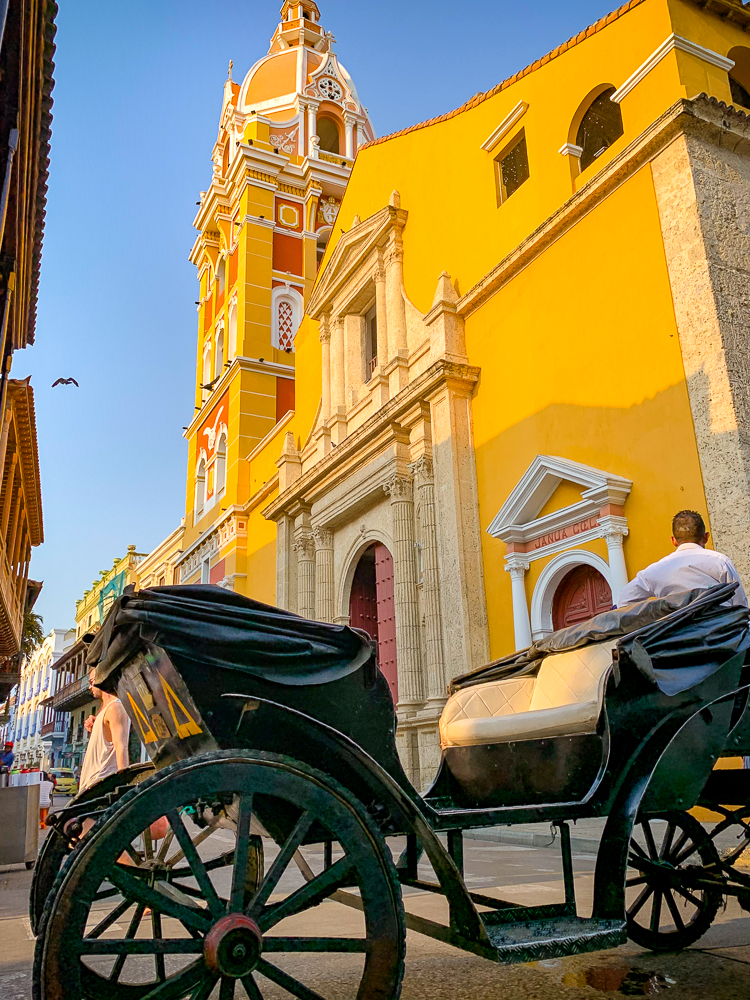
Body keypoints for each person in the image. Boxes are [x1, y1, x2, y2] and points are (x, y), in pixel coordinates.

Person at [617, 509, 748, 608]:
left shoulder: (654, 571)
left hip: (677, 639)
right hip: (721, 637)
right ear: (706, 537)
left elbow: (625, 600)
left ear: (673, 541)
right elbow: (740, 605)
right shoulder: (720, 562)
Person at [78, 668, 130, 793]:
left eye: (91, 681)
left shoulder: (115, 707)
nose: (90, 687)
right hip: (92, 786)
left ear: (103, 678)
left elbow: (121, 747)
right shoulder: (106, 710)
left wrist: (124, 787)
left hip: (102, 786)